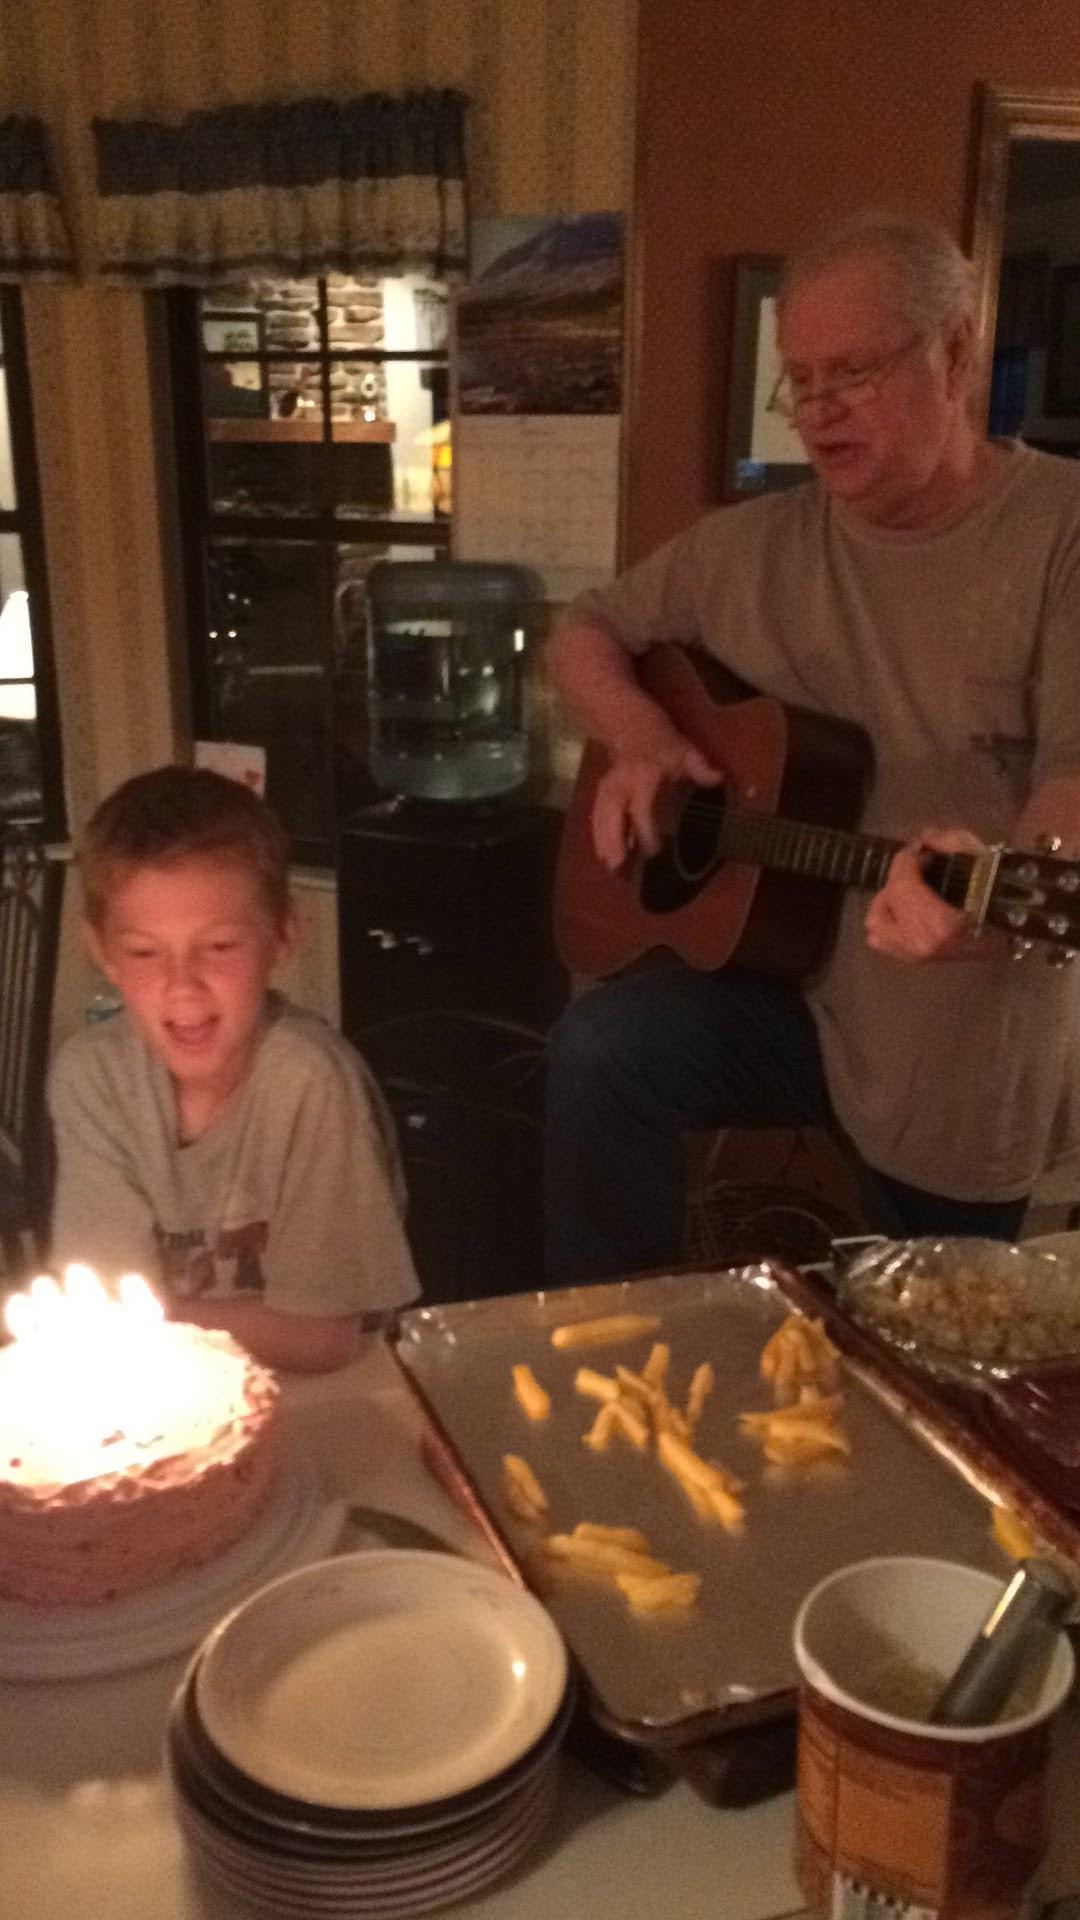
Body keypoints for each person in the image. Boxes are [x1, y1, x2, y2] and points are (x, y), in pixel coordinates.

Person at [543, 211, 1080, 1286]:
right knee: (603, 1050)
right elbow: (582, 632)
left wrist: (994, 900)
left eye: (856, 374)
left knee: (924, 1323)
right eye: (802, 380)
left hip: (951, 1023)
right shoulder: (751, 547)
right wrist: (643, 739)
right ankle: (608, 1335)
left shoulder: (1059, 529)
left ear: (957, 353)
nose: (822, 412)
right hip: (781, 982)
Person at [48, 765, 419, 1370]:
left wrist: (146, 1319)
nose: (183, 985)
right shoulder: (93, 1080)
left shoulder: (309, 1082)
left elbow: (324, 1340)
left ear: (282, 935)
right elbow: (105, 1309)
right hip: (168, 1392)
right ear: (102, 952)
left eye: (219, 946)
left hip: (329, 1399)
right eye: (145, 952)